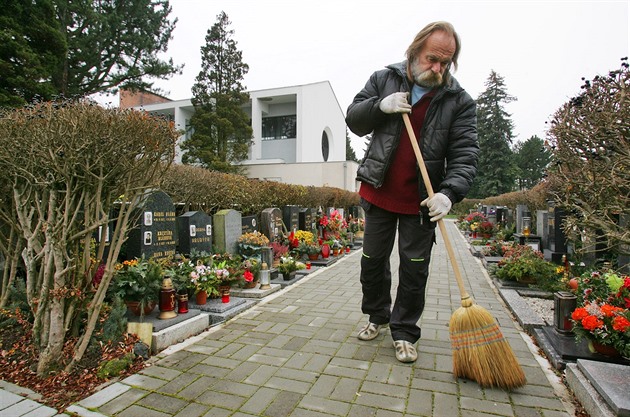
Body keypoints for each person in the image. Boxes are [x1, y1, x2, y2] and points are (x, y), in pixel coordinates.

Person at [345, 21, 479, 363]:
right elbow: (355, 119)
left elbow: (465, 155)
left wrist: (448, 193)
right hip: (378, 192)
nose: (437, 69)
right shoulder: (383, 79)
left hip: (421, 201)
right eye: (431, 59)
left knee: (414, 267)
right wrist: (380, 106)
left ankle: (405, 331)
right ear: (414, 50)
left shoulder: (458, 101)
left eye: (444, 63)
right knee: (372, 261)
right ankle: (377, 316)